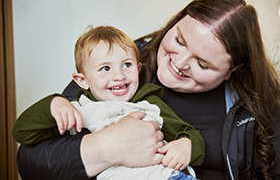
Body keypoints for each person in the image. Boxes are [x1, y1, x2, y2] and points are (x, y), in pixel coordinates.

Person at [15, 0, 280, 179]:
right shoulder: (120, 66)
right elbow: (31, 163)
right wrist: (106, 147)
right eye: (179, 40)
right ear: (175, 22)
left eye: (203, 64)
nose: (180, 63)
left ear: (230, 72)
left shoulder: (259, 102)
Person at [12, 26, 204, 180]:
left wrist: (186, 146)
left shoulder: (150, 103)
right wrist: (53, 104)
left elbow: (188, 133)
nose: (119, 75)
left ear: (138, 69)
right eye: (105, 68)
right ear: (82, 81)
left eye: (127, 65)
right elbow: (22, 133)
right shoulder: (78, 110)